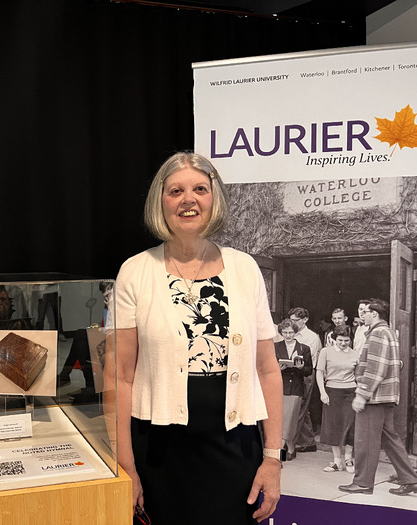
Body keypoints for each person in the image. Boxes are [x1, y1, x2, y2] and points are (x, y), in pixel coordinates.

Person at [110, 152, 282, 524]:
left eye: (199, 189)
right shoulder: (135, 272)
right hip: (159, 451)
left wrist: (272, 458)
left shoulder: (246, 268)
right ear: (161, 201)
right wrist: (126, 466)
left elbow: (267, 370)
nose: (188, 199)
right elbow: (120, 377)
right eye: (176, 190)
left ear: (213, 198)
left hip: (236, 448)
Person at [338, 299, 417, 496]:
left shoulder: (378, 333)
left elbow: (375, 369)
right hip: (384, 397)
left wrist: (362, 395)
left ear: (375, 314)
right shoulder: (387, 332)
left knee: (365, 440)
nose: (361, 315)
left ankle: (363, 482)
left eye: (365, 312)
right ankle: (410, 479)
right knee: (389, 439)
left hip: (375, 398)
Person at [316, 325, 359, 473]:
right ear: (334, 338)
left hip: (350, 391)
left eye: (346, 340)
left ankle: (348, 459)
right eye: (340, 340)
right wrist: (322, 392)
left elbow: (358, 376)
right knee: (333, 426)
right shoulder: (326, 352)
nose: (343, 343)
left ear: (350, 340)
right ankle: (337, 461)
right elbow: (319, 373)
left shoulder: (355, 354)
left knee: (350, 426)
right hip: (332, 391)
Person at [275, 319, 312, 461]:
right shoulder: (275, 346)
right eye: (285, 332)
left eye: (291, 332)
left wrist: (301, 367)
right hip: (280, 387)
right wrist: (277, 369)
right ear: (281, 333)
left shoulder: (304, 348)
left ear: (295, 332)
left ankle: (281, 450)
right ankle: (291, 448)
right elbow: (269, 368)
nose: (288, 335)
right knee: (281, 420)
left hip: (295, 388)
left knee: (289, 420)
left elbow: (309, 371)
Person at [288, 307, 321, 452]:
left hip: (305, 374)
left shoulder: (311, 337)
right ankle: (309, 442)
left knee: (299, 407)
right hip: (292, 373)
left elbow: (307, 359)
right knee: (302, 407)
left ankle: (290, 442)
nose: (293, 323)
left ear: (305, 320)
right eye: (291, 320)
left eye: (296, 320)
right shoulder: (291, 333)